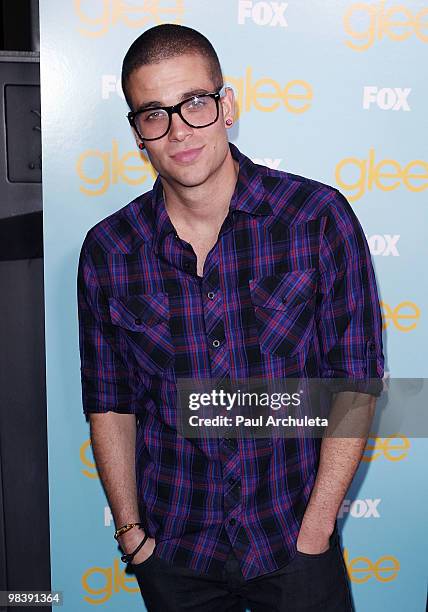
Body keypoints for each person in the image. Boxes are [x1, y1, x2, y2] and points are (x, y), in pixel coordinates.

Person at [77, 24, 384, 612]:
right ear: (138, 132)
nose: (179, 131)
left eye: (194, 103)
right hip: (173, 555)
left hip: (295, 546)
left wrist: (316, 531)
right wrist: (133, 538)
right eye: (153, 114)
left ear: (227, 105)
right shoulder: (109, 250)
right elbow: (110, 405)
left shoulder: (316, 219)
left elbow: (354, 386)